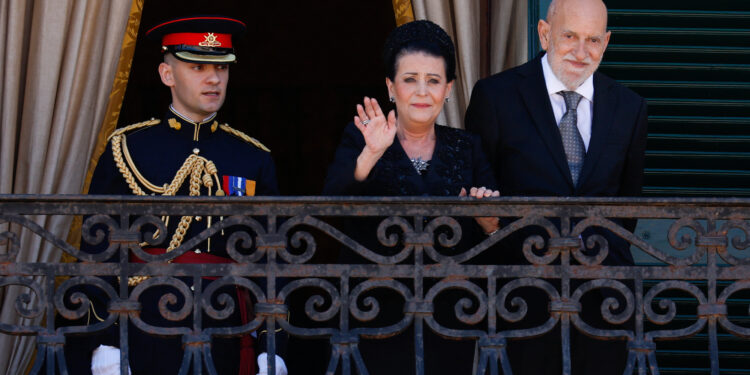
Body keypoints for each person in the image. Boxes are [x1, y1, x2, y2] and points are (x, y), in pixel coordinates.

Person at [62, 16, 286, 375]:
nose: (214, 79)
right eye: (198, 67)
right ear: (168, 75)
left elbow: (270, 261)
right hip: (143, 325)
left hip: (225, 326)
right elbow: (98, 252)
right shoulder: (129, 148)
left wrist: (270, 346)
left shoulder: (253, 157)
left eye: (221, 68)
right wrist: (104, 339)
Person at [464, 0, 648, 373]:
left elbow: (628, 204)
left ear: (606, 42)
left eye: (593, 40)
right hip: (519, 298)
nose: (581, 52)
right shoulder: (495, 97)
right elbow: (480, 200)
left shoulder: (630, 107)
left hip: (606, 302)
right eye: (569, 36)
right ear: (544, 33)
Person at [323, 20, 499, 374]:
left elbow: (497, 230)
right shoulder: (361, 138)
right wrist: (371, 154)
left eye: (433, 80)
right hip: (372, 312)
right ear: (391, 86)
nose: (422, 91)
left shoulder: (468, 146)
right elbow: (329, 209)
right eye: (409, 79)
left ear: (448, 88)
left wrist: (488, 220)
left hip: (453, 317)